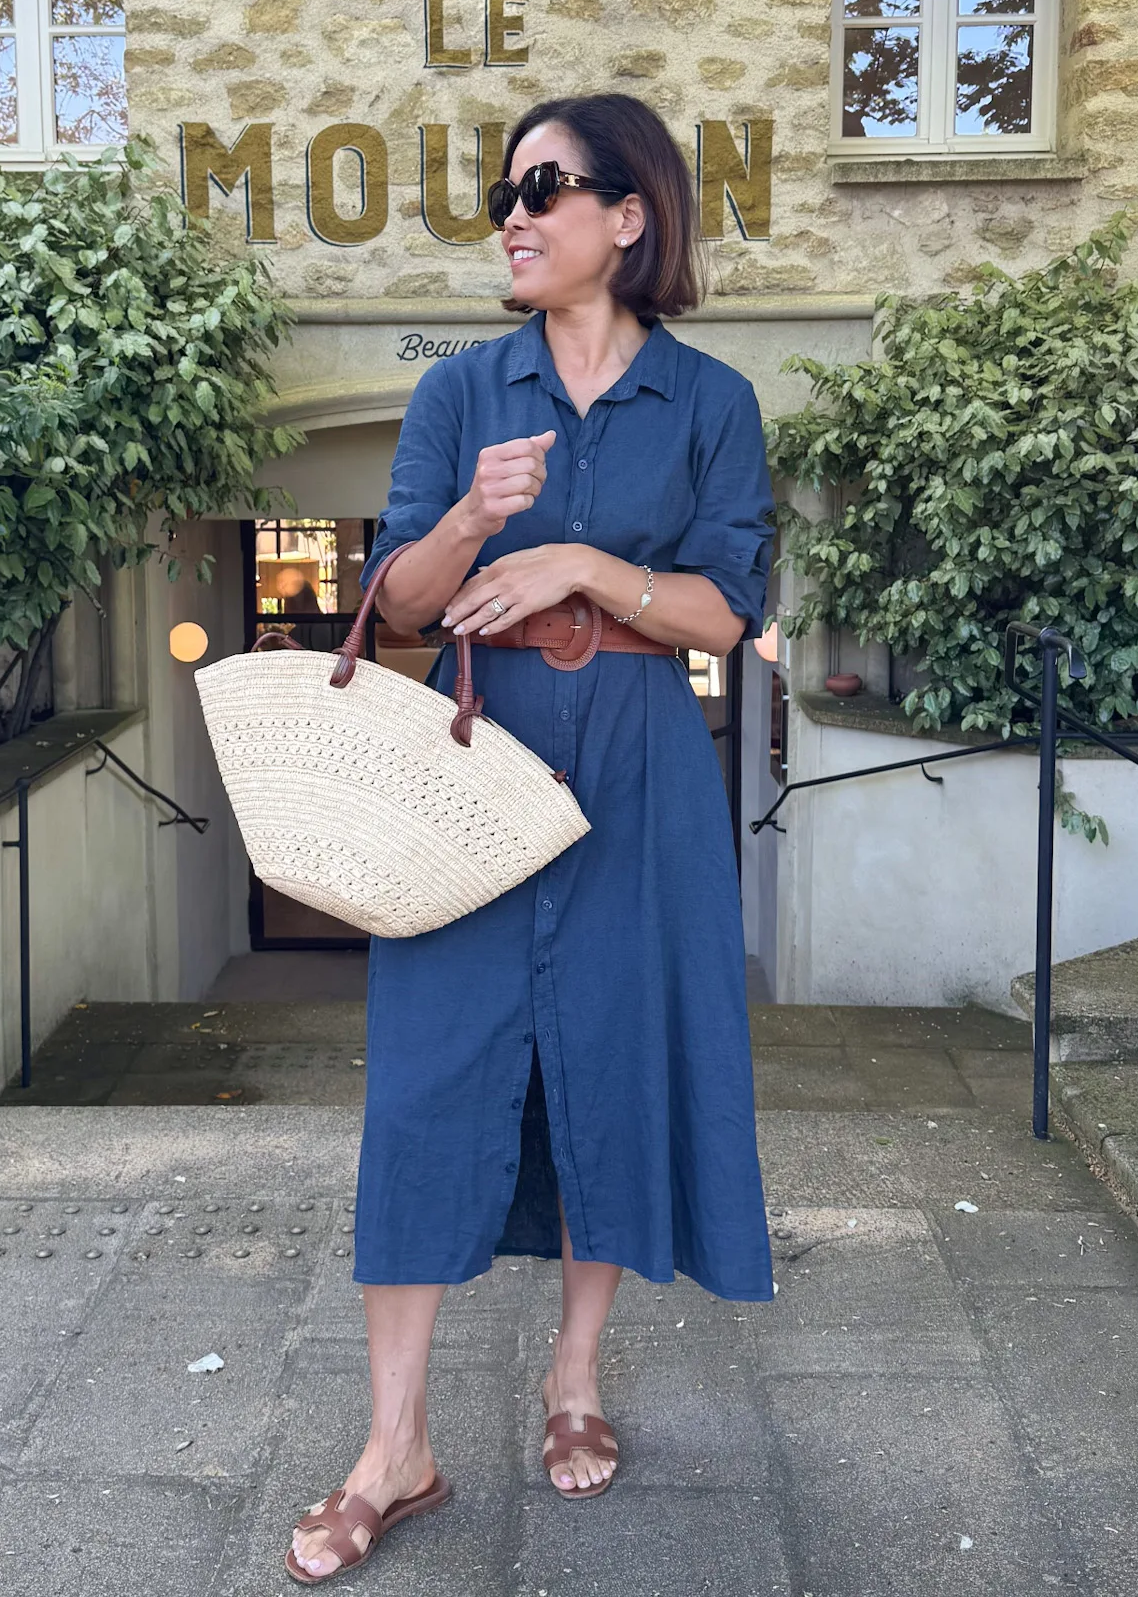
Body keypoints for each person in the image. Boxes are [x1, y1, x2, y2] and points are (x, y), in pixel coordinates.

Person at [284, 92, 776, 1585]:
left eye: (544, 188)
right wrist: (469, 523)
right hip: (469, 755)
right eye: (504, 192)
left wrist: (578, 562)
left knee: (607, 1062)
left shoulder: (710, 402)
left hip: (635, 772)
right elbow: (401, 604)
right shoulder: (461, 392)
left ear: (629, 217)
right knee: (427, 1079)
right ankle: (396, 1448)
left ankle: (575, 1378)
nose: (512, 214)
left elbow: (725, 613)